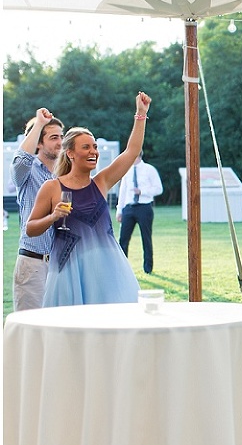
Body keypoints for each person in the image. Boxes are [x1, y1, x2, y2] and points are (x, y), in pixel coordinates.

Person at [26, 92, 152, 306]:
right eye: (86, 147)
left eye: (95, 147)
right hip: (70, 272)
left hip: (109, 272)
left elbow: (131, 152)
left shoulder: (101, 182)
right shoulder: (52, 187)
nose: (94, 151)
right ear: (71, 154)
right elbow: (30, 228)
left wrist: (140, 114)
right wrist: (53, 216)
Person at [10, 109, 64, 310]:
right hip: (33, 265)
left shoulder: (66, 174)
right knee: (32, 331)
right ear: (39, 143)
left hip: (62, 265)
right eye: (53, 138)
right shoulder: (28, 172)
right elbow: (21, 160)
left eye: (61, 136)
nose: (60, 142)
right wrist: (39, 123)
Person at [116, 150, 163, 274]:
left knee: (146, 238)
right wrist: (119, 210)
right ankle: (122, 268)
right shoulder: (127, 171)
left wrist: (142, 191)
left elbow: (158, 189)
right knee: (123, 239)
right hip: (129, 208)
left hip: (144, 207)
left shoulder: (149, 169)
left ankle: (148, 267)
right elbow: (123, 191)